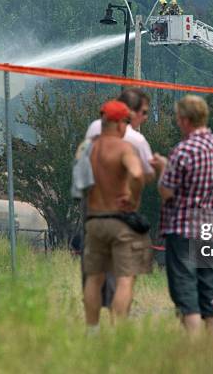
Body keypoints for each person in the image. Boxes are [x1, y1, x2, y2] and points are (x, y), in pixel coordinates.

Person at [153, 95, 213, 337]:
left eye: (178, 118)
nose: (177, 123)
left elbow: (166, 191)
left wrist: (163, 167)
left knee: (186, 289)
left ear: (185, 120)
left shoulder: (183, 151)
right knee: (210, 288)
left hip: (184, 229)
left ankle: (195, 347)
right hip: (212, 228)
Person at [80, 88, 156, 309]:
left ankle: (92, 326)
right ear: (128, 114)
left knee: (94, 275)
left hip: (92, 209)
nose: (144, 118)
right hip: (121, 212)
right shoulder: (135, 139)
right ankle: (117, 326)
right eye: (143, 112)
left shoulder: (94, 128)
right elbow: (142, 173)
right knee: (124, 276)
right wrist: (133, 197)